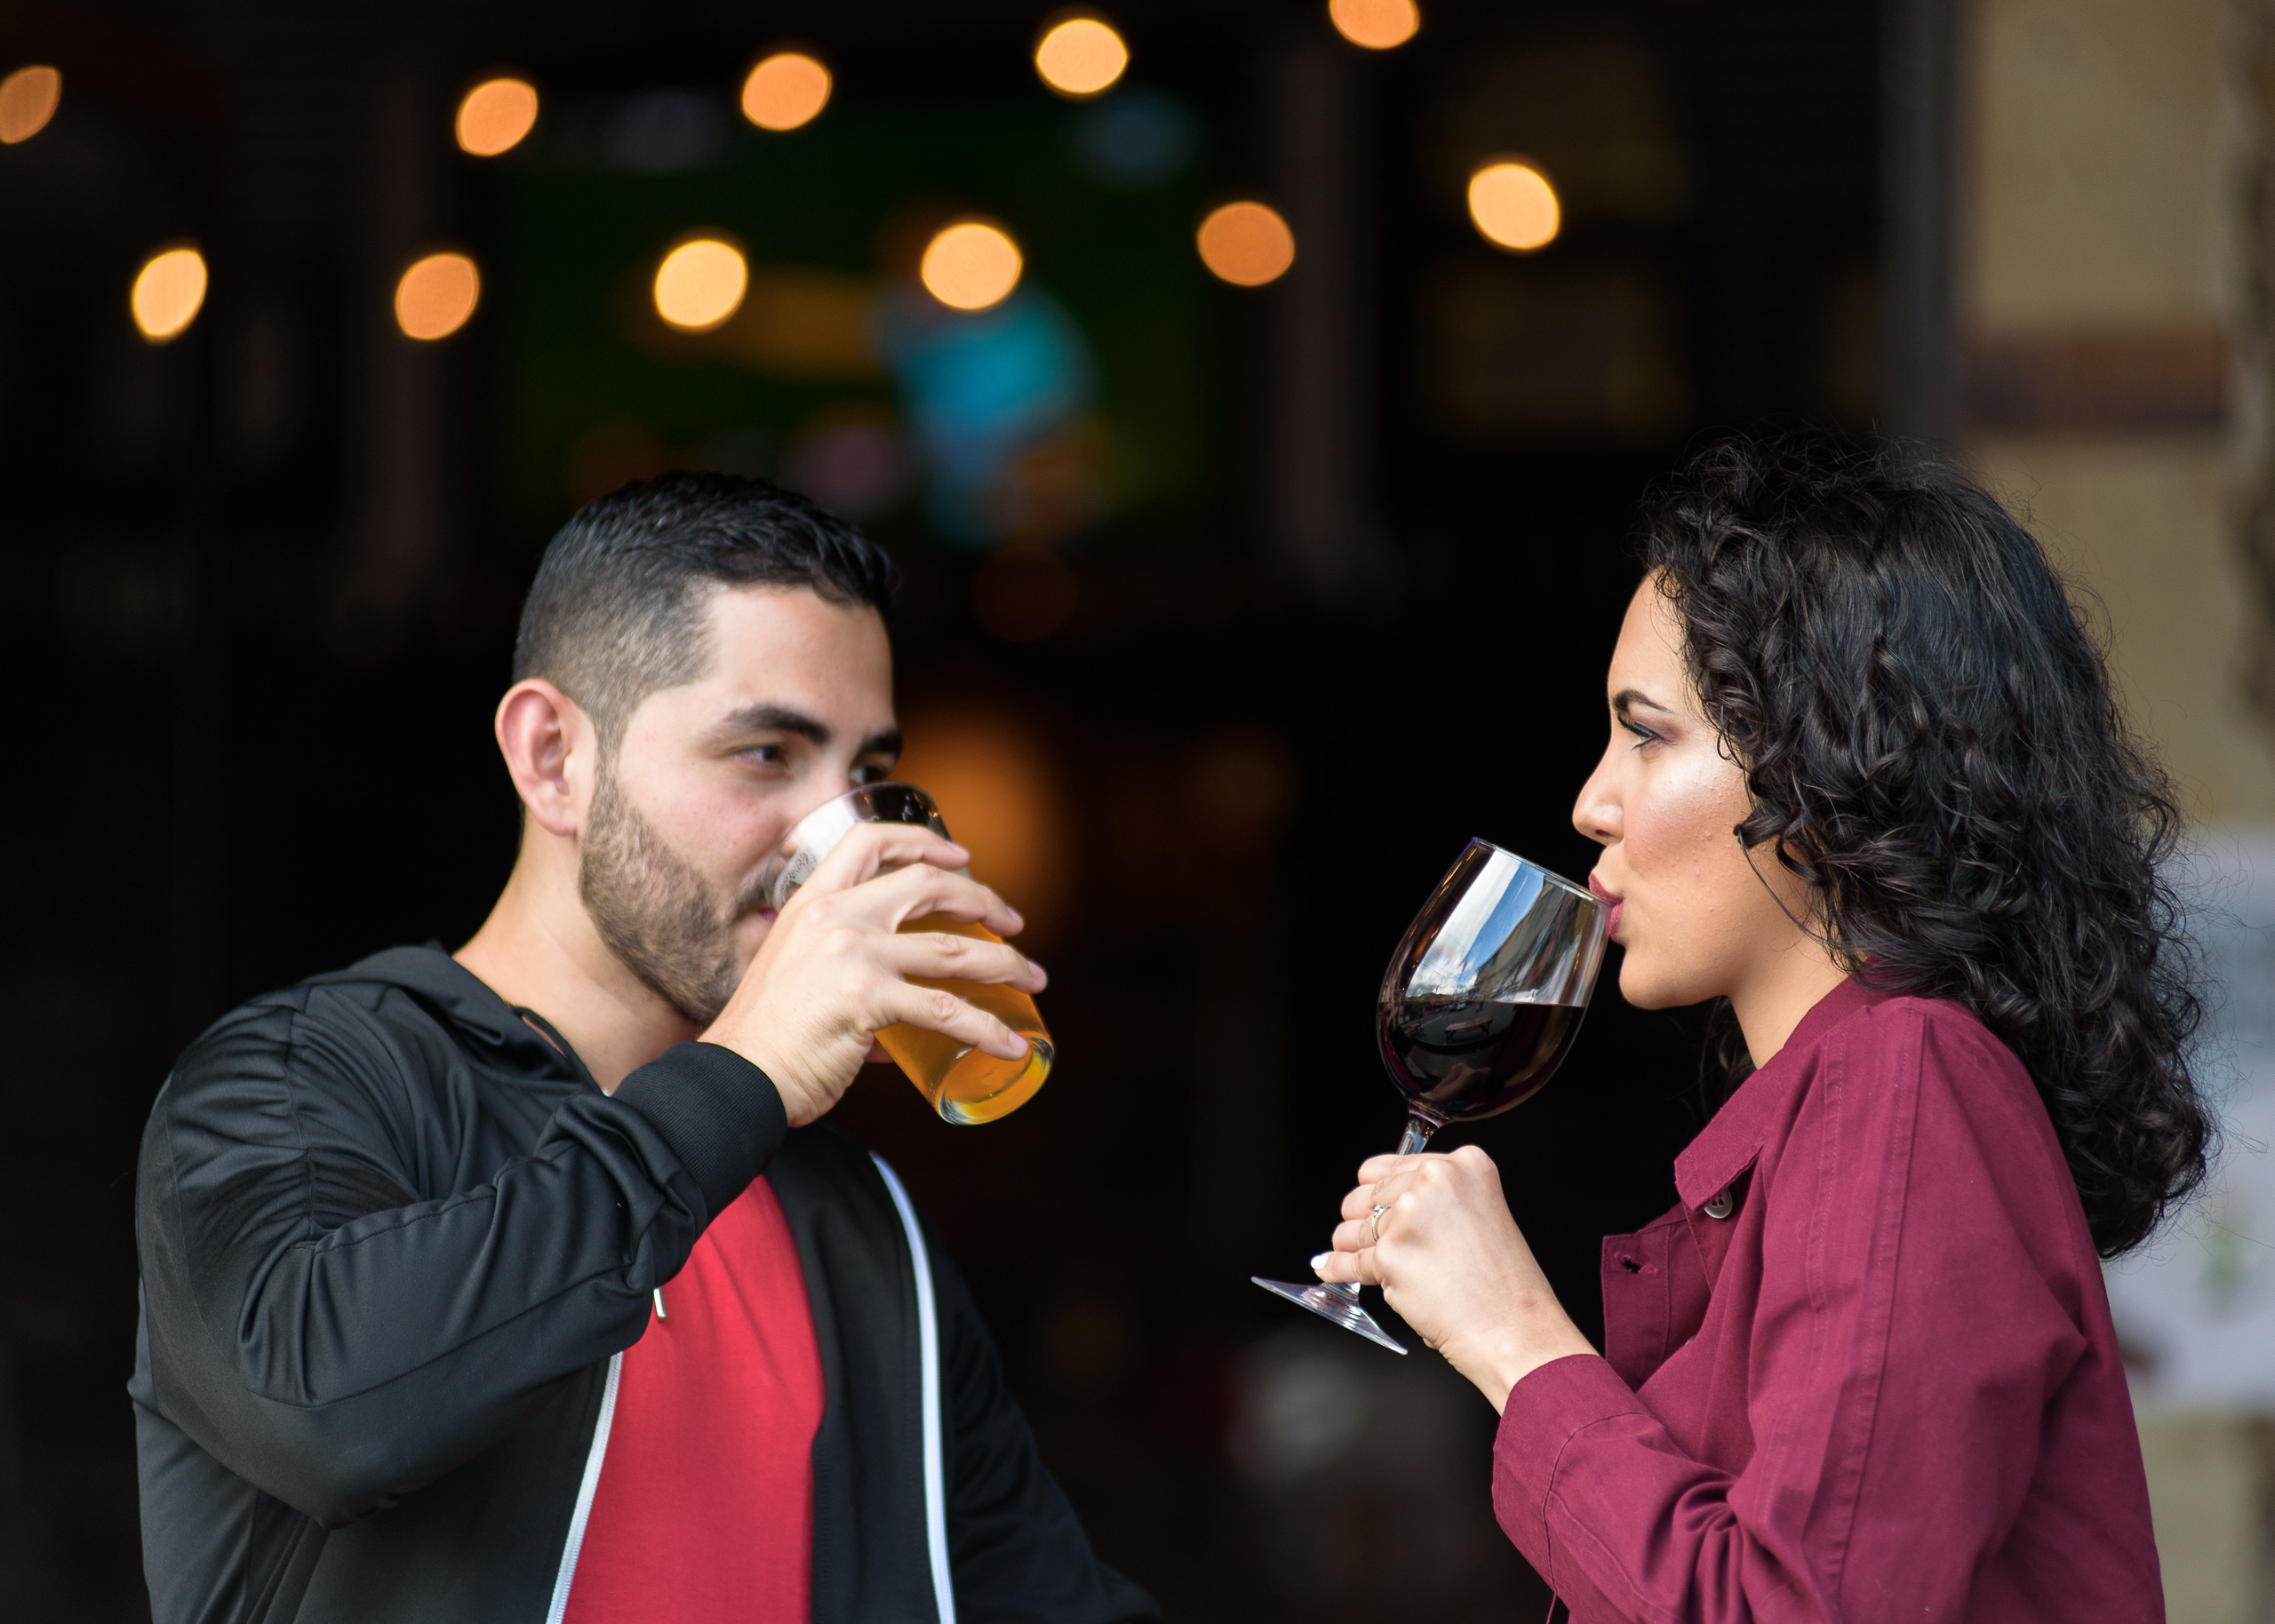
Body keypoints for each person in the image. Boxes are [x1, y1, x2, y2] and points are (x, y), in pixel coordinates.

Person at [132, 474, 1155, 1624]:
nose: (842, 841)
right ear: (554, 758)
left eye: (865, 776)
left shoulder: (860, 1216)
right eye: (768, 754)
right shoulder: (306, 1074)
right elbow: (323, 1406)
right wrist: (744, 1077)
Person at [1314, 437, 2205, 1622]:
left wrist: (1511, 1336)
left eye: (1649, 734)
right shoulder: (1858, 1092)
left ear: (1832, 763)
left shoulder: (1904, 1080)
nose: (1593, 801)